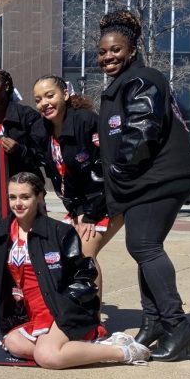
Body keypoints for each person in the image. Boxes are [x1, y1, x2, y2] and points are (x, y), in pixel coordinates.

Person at [96, 10, 190, 361]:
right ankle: (154, 321)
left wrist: (121, 172)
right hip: (146, 180)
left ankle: (177, 326)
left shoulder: (142, 80)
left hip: (158, 178)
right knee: (143, 247)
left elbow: (142, 130)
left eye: (116, 50)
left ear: (132, 50)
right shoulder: (124, 83)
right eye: (103, 51)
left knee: (145, 246)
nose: (108, 57)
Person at [0, 172, 150, 368]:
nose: (18, 203)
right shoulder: (0, 232)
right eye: (13, 197)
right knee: (13, 343)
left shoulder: (60, 231)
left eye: (25, 197)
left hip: (61, 307)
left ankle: (123, 351)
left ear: (40, 197)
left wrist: (68, 305)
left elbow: (85, 273)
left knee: (47, 357)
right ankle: (83, 349)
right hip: (33, 312)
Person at [33, 75, 123, 298]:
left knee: (84, 253)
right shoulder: (41, 131)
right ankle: (77, 311)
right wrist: (78, 212)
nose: (44, 103)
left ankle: (95, 322)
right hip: (80, 206)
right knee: (66, 252)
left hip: (107, 201)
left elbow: (107, 168)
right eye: (38, 99)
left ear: (65, 94)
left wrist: (90, 215)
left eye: (50, 95)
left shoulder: (86, 120)